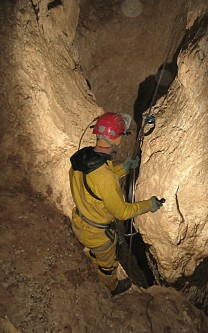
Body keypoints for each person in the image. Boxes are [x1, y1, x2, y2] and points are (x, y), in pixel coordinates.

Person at [69, 112, 163, 296]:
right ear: (116, 139)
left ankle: (94, 258)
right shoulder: (105, 177)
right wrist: (149, 205)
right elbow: (122, 212)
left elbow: (95, 186)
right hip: (97, 234)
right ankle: (111, 288)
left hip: (81, 221)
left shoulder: (82, 159)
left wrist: (124, 168)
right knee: (107, 265)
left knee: (98, 255)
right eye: (121, 135)